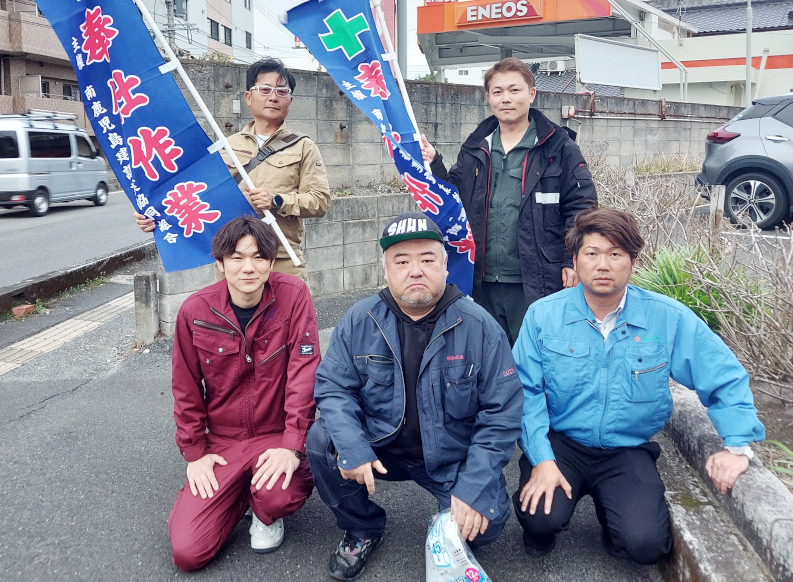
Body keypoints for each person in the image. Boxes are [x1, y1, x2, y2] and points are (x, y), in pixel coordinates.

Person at [511, 208, 765, 564]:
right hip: (562, 443)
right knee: (541, 517)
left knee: (645, 544)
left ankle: (614, 521)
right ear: (575, 260)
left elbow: (722, 374)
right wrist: (541, 459)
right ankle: (542, 530)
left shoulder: (666, 317)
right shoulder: (543, 315)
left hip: (626, 448)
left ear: (632, 262)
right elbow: (526, 392)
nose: (603, 265)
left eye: (615, 254)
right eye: (592, 253)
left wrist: (736, 447)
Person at [306, 212, 523, 581]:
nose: (415, 271)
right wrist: (353, 447)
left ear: (445, 265)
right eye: (402, 261)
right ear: (386, 270)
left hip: (448, 457)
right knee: (322, 441)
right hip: (380, 447)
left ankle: (447, 520)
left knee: (488, 527)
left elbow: (501, 414)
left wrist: (473, 487)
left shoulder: (480, 326)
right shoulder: (360, 319)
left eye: (427, 259)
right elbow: (333, 387)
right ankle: (361, 527)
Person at [168, 216, 319, 571]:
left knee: (276, 497)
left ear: (271, 261)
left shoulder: (294, 295)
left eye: (259, 257)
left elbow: (304, 373)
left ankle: (264, 511)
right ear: (220, 263)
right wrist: (195, 453)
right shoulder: (195, 310)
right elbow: (185, 387)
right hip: (224, 442)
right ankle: (237, 495)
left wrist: (292, 445)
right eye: (237, 258)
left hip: (276, 434)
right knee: (188, 553)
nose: (248, 268)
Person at [421, 57, 597, 345]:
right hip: (482, 280)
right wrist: (434, 162)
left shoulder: (558, 147)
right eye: (498, 91)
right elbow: (455, 200)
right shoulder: (476, 146)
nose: (506, 98)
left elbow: (582, 209)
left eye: (514, 90)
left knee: (538, 353)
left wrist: (572, 259)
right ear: (488, 97)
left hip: (537, 279)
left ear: (532, 93)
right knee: (488, 356)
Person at [135, 58, 330, 280]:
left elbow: (320, 201)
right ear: (249, 97)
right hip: (232, 259)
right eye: (265, 89)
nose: (273, 97)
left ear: (290, 100)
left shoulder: (304, 146)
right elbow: (198, 195)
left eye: (282, 91)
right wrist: (155, 215)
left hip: (281, 258)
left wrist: (277, 200)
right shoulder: (225, 146)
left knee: (289, 305)